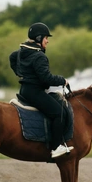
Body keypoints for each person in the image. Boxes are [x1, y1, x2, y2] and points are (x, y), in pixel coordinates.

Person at [9, 22, 73, 158]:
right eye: (46, 38)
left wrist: (21, 73)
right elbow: (46, 79)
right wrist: (63, 80)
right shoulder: (39, 56)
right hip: (35, 92)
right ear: (39, 38)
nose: (47, 41)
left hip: (25, 90)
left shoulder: (22, 52)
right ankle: (56, 147)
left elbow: (12, 57)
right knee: (59, 113)